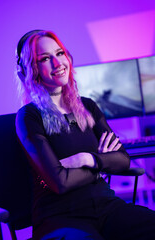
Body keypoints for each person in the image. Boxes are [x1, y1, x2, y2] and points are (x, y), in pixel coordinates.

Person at [15, 30, 155, 240]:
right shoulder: (29, 116)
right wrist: (102, 164)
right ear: (30, 69)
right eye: (45, 58)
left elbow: (123, 161)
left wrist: (87, 159)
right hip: (60, 218)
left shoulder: (87, 106)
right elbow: (60, 183)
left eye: (60, 53)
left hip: (107, 207)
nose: (57, 63)